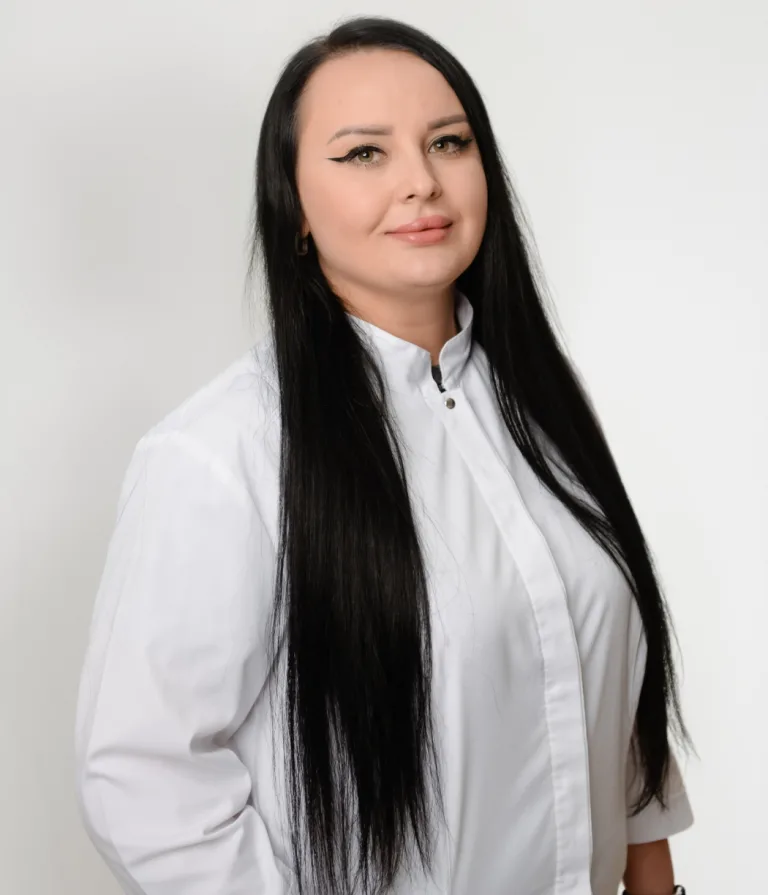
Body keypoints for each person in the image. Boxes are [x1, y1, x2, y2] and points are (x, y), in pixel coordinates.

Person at [74, 15, 694, 895]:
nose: (421, 181)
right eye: (364, 153)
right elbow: (140, 775)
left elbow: (616, 703)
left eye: (448, 142)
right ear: (294, 208)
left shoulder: (549, 406)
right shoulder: (222, 453)